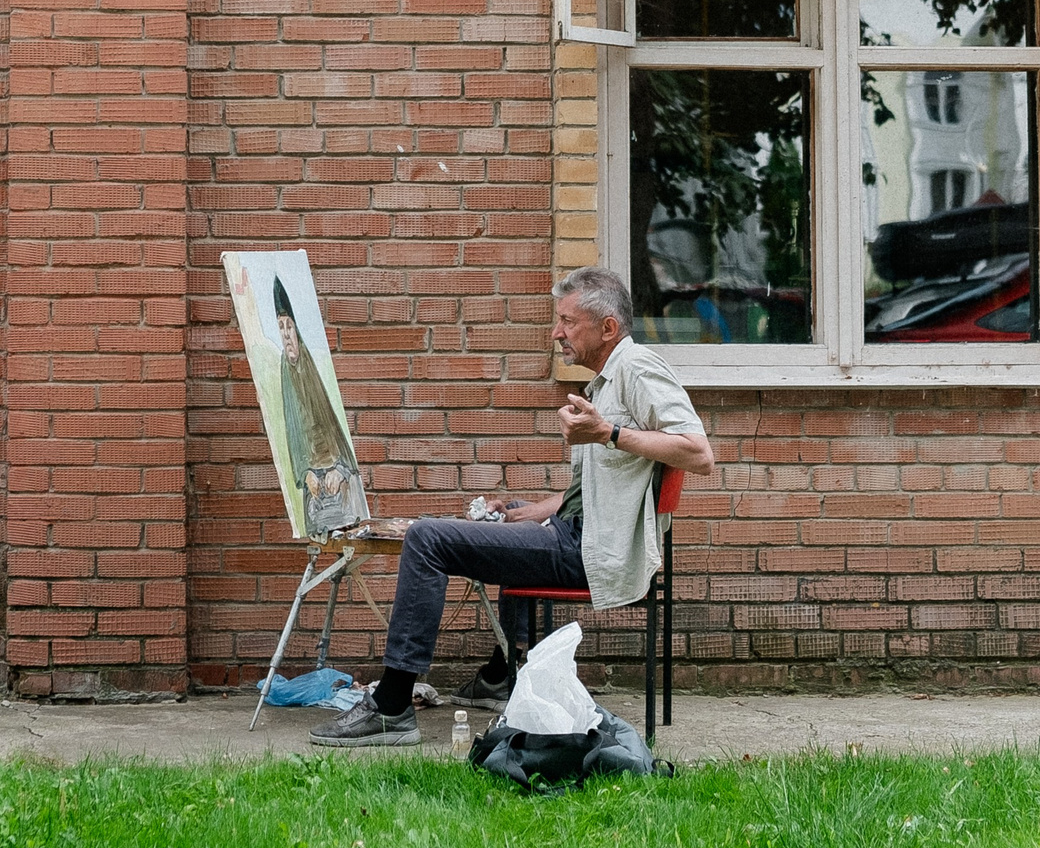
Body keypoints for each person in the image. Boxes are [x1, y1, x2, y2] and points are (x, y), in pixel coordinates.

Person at [308, 266, 714, 746]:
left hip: (588, 551)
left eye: (568, 321)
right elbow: (607, 485)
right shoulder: (609, 379)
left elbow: (699, 452)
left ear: (607, 328)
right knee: (511, 513)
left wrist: (609, 433)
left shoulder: (638, 368)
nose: (556, 332)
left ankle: (392, 706)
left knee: (427, 537)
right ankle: (502, 676)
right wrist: (537, 510)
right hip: (577, 533)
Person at [272, 281, 364, 534]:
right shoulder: (285, 369)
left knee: (347, 525)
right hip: (313, 477)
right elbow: (294, 431)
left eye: (289, 326)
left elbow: (329, 424)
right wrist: (305, 473)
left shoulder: (310, 365)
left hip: (335, 471)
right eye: (281, 328)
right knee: (319, 530)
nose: (286, 334)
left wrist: (341, 468)